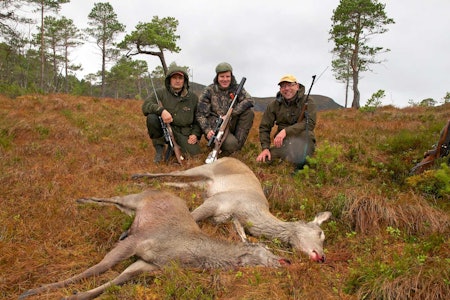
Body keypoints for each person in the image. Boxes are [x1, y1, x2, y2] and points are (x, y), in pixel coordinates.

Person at [256, 74, 316, 173]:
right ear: (280, 90)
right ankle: (287, 157)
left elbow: (310, 123)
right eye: (283, 86)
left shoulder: (308, 101)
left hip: (301, 139)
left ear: (297, 86)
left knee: (307, 134)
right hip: (284, 143)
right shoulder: (273, 105)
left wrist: (286, 131)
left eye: (290, 85)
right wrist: (265, 148)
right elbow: (264, 127)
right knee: (264, 161)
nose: (286, 88)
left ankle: (302, 164)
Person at [142, 65, 202, 163]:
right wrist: (161, 111)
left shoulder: (193, 98)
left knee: (194, 155)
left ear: (184, 80)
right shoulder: (160, 93)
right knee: (152, 117)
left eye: (180, 78)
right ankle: (159, 149)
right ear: (169, 80)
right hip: (165, 128)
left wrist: (195, 134)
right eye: (174, 78)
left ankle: (175, 148)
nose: (177, 81)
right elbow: (146, 106)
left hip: (184, 132)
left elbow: (198, 119)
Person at [196, 62, 254, 156]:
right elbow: (200, 114)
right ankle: (225, 147)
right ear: (217, 77)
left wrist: (230, 114)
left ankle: (236, 147)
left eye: (228, 76)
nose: (225, 79)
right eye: (222, 76)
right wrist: (207, 130)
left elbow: (249, 100)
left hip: (231, 121)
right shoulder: (209, 90)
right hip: (216, 126)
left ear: (231, 77)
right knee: (231, 145)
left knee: (249, 113)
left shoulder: (237, 88)